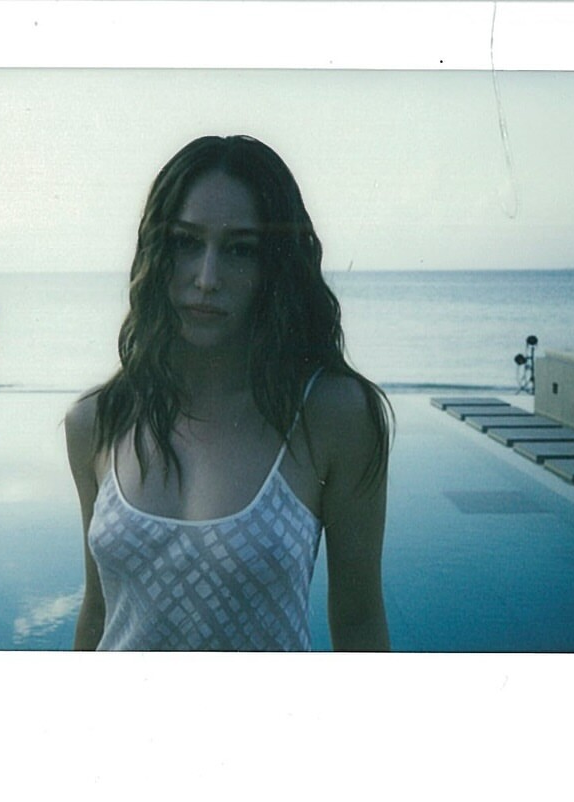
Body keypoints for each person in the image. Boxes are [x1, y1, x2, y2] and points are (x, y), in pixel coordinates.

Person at [65, 135, 392, 651]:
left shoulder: (334, 417)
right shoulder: (98, 420)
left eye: (241, 250)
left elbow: (358, 621)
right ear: (156, 250)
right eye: (185, 242)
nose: (207, 278)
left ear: (275, 266)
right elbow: (99, 610)